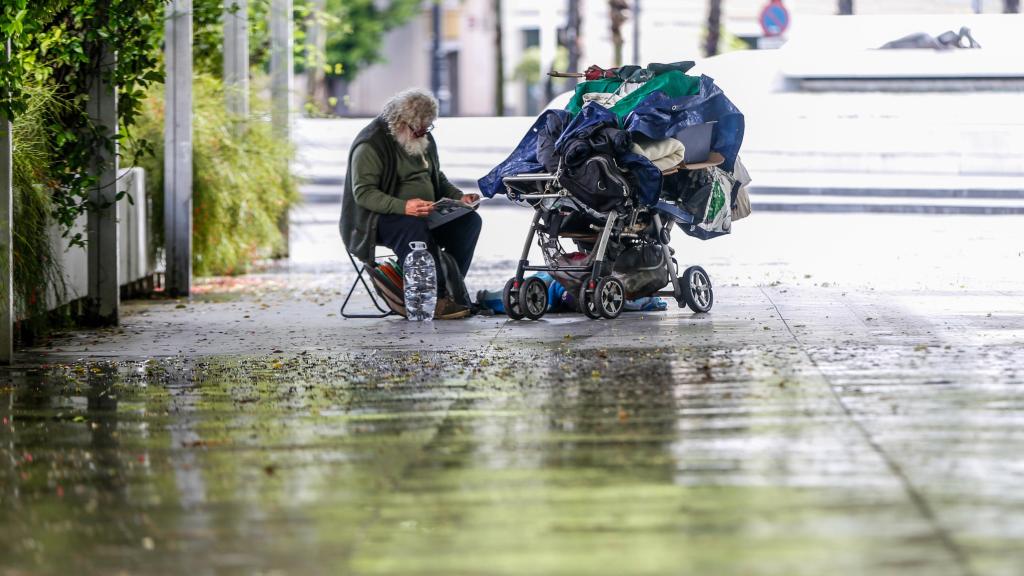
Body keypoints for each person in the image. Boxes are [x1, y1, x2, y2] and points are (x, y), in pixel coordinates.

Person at [340, 89, 482, 319]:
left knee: (469, 221)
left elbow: (437, 178)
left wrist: (458, 198)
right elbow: (364, 194)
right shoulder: (371, 144)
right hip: (378, 219)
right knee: (413, 227)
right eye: (419, 129)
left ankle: (451, 290)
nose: (424, 133)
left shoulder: (423, 137)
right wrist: (404, 207)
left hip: (425, 211)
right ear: (400, 123)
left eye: (428, 127)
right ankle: (435, 300)